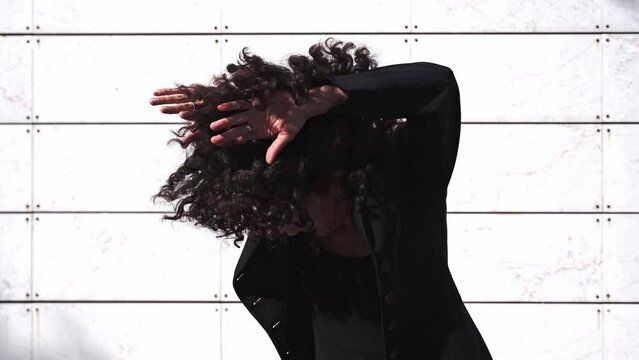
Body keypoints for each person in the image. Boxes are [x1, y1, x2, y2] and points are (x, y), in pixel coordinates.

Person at [150, 38, 493, 360]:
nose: (281, 227)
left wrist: (320, 99)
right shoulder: (283, 232)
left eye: (290, 207)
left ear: (322, 171)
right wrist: (219, 115)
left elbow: (437, 87)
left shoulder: (405, 184)